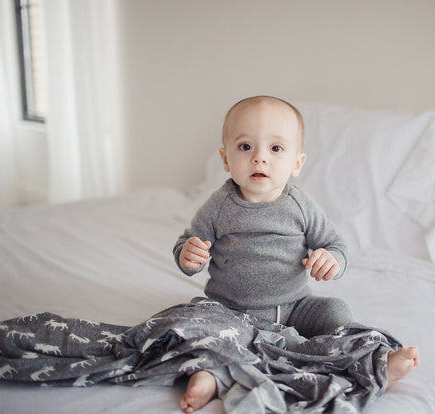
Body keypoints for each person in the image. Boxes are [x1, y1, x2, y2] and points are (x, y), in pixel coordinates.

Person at [173, 96, 419, 413]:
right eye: (245, 147)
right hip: (231, 310)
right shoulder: (219, 206)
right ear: (225, 158)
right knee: (199, 324)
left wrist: (332, 259)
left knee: (335, 312)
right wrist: (188, 254)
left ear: (297, 163)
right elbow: (189, 243)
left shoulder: (300, 206)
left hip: (294, 308)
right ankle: (209, 377)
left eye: (276, 148)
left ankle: (373, 362)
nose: (259, 158)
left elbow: (335, 244)